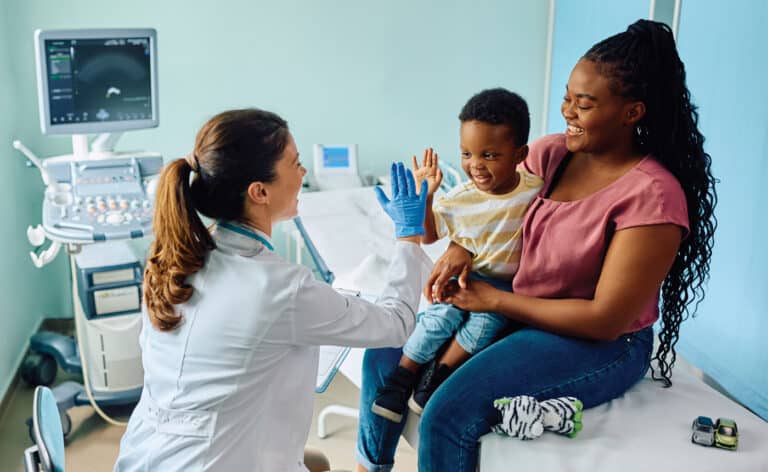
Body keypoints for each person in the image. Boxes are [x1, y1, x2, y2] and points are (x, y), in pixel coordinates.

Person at [354, 19, 717, 472]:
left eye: (583, 104)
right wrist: (463, 247)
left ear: (632, 112)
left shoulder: (653, 197)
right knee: (383, 353)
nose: (568, 112)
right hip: (515, 308)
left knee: (447, 413)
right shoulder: (552, 154)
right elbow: (494, 208)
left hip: (597, 340)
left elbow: (605, 320)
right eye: (567, 97)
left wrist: (495, 300)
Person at [113, 108, 435, 472]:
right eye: (295, 164)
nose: (303, 172)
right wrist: (409, 236)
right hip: (215, 462)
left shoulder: (172, 262)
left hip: (145, 458)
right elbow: (396, 324)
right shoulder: (280, 287)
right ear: (260, 191)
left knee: (315, 462)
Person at [371, 89, 543, 423]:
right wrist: (427, 198)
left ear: (519, 154)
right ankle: (402, 376)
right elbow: (429, 234)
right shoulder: (461, 197)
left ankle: (438, 374)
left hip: (502, 287)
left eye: (489, 155)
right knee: (440, 317)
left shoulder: (535, 190)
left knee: (484, 325)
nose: (475, 165)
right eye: (466, 153)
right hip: (466, 276)